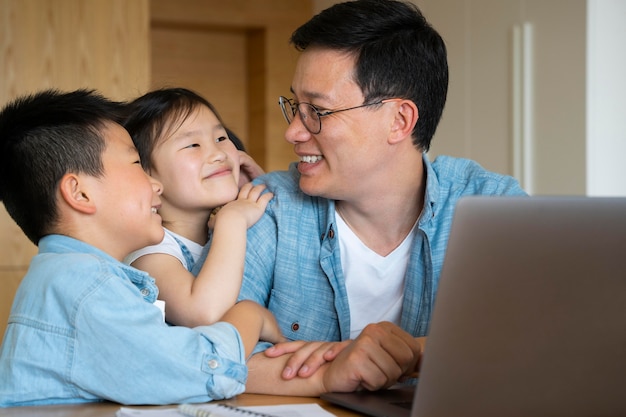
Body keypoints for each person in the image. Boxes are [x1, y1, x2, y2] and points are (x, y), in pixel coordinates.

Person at [201, 0, 527, 395]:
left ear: (399, 121)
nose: (293, 133)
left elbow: (540, 341)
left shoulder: (493, 207)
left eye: (317, 110)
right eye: (295, 107)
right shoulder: (265, 207)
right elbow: (202, 354)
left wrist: (410, 354)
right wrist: (331, 370)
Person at [0, 89, 282, 407]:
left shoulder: (71, 276)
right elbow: (195, 370)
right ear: (79, 194)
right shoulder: (86, 285)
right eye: (136, 163)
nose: (155, 185)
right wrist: (250, 318)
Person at [123, 88, 272, 327]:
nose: (217, 154)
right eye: (193, 145)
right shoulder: (149, 254)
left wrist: (262, 184)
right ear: (147, 175)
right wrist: (232, 220)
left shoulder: (225, 226)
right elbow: (202, 312)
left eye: (221, 138)